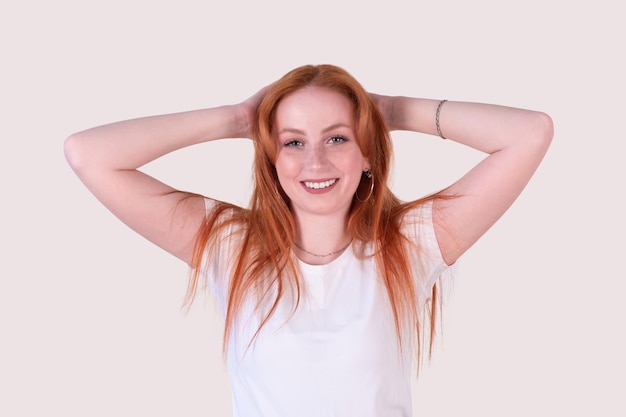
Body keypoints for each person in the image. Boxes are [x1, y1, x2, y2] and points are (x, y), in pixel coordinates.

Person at [64, 64, 553, 416]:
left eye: (338, 138)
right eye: (293, 141)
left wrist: (388, 110)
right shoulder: (230, 247)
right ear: (273, 157)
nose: (315, 161)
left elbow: (530, 134)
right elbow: (87, 154)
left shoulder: (411, 243)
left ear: (368, 152)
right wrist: (238, 119)